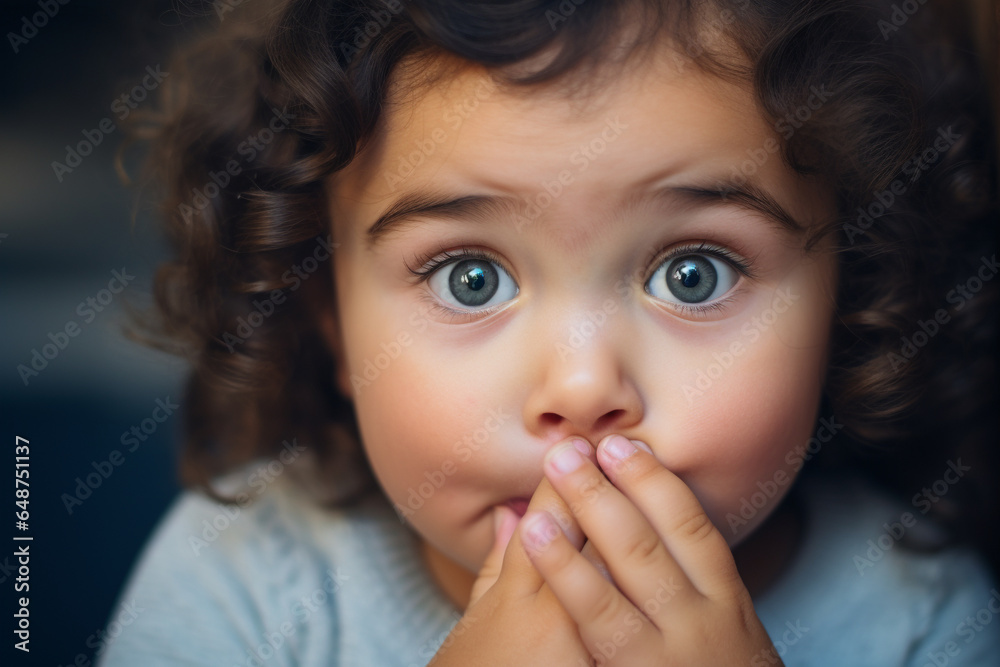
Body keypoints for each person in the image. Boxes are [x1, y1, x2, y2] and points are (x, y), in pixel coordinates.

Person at [100, 0, 999, 664]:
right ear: (330, 322)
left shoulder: (921, 618)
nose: (579, 388)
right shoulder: (245, 580)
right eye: (470, 277)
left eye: (694, 274)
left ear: (849, 298)